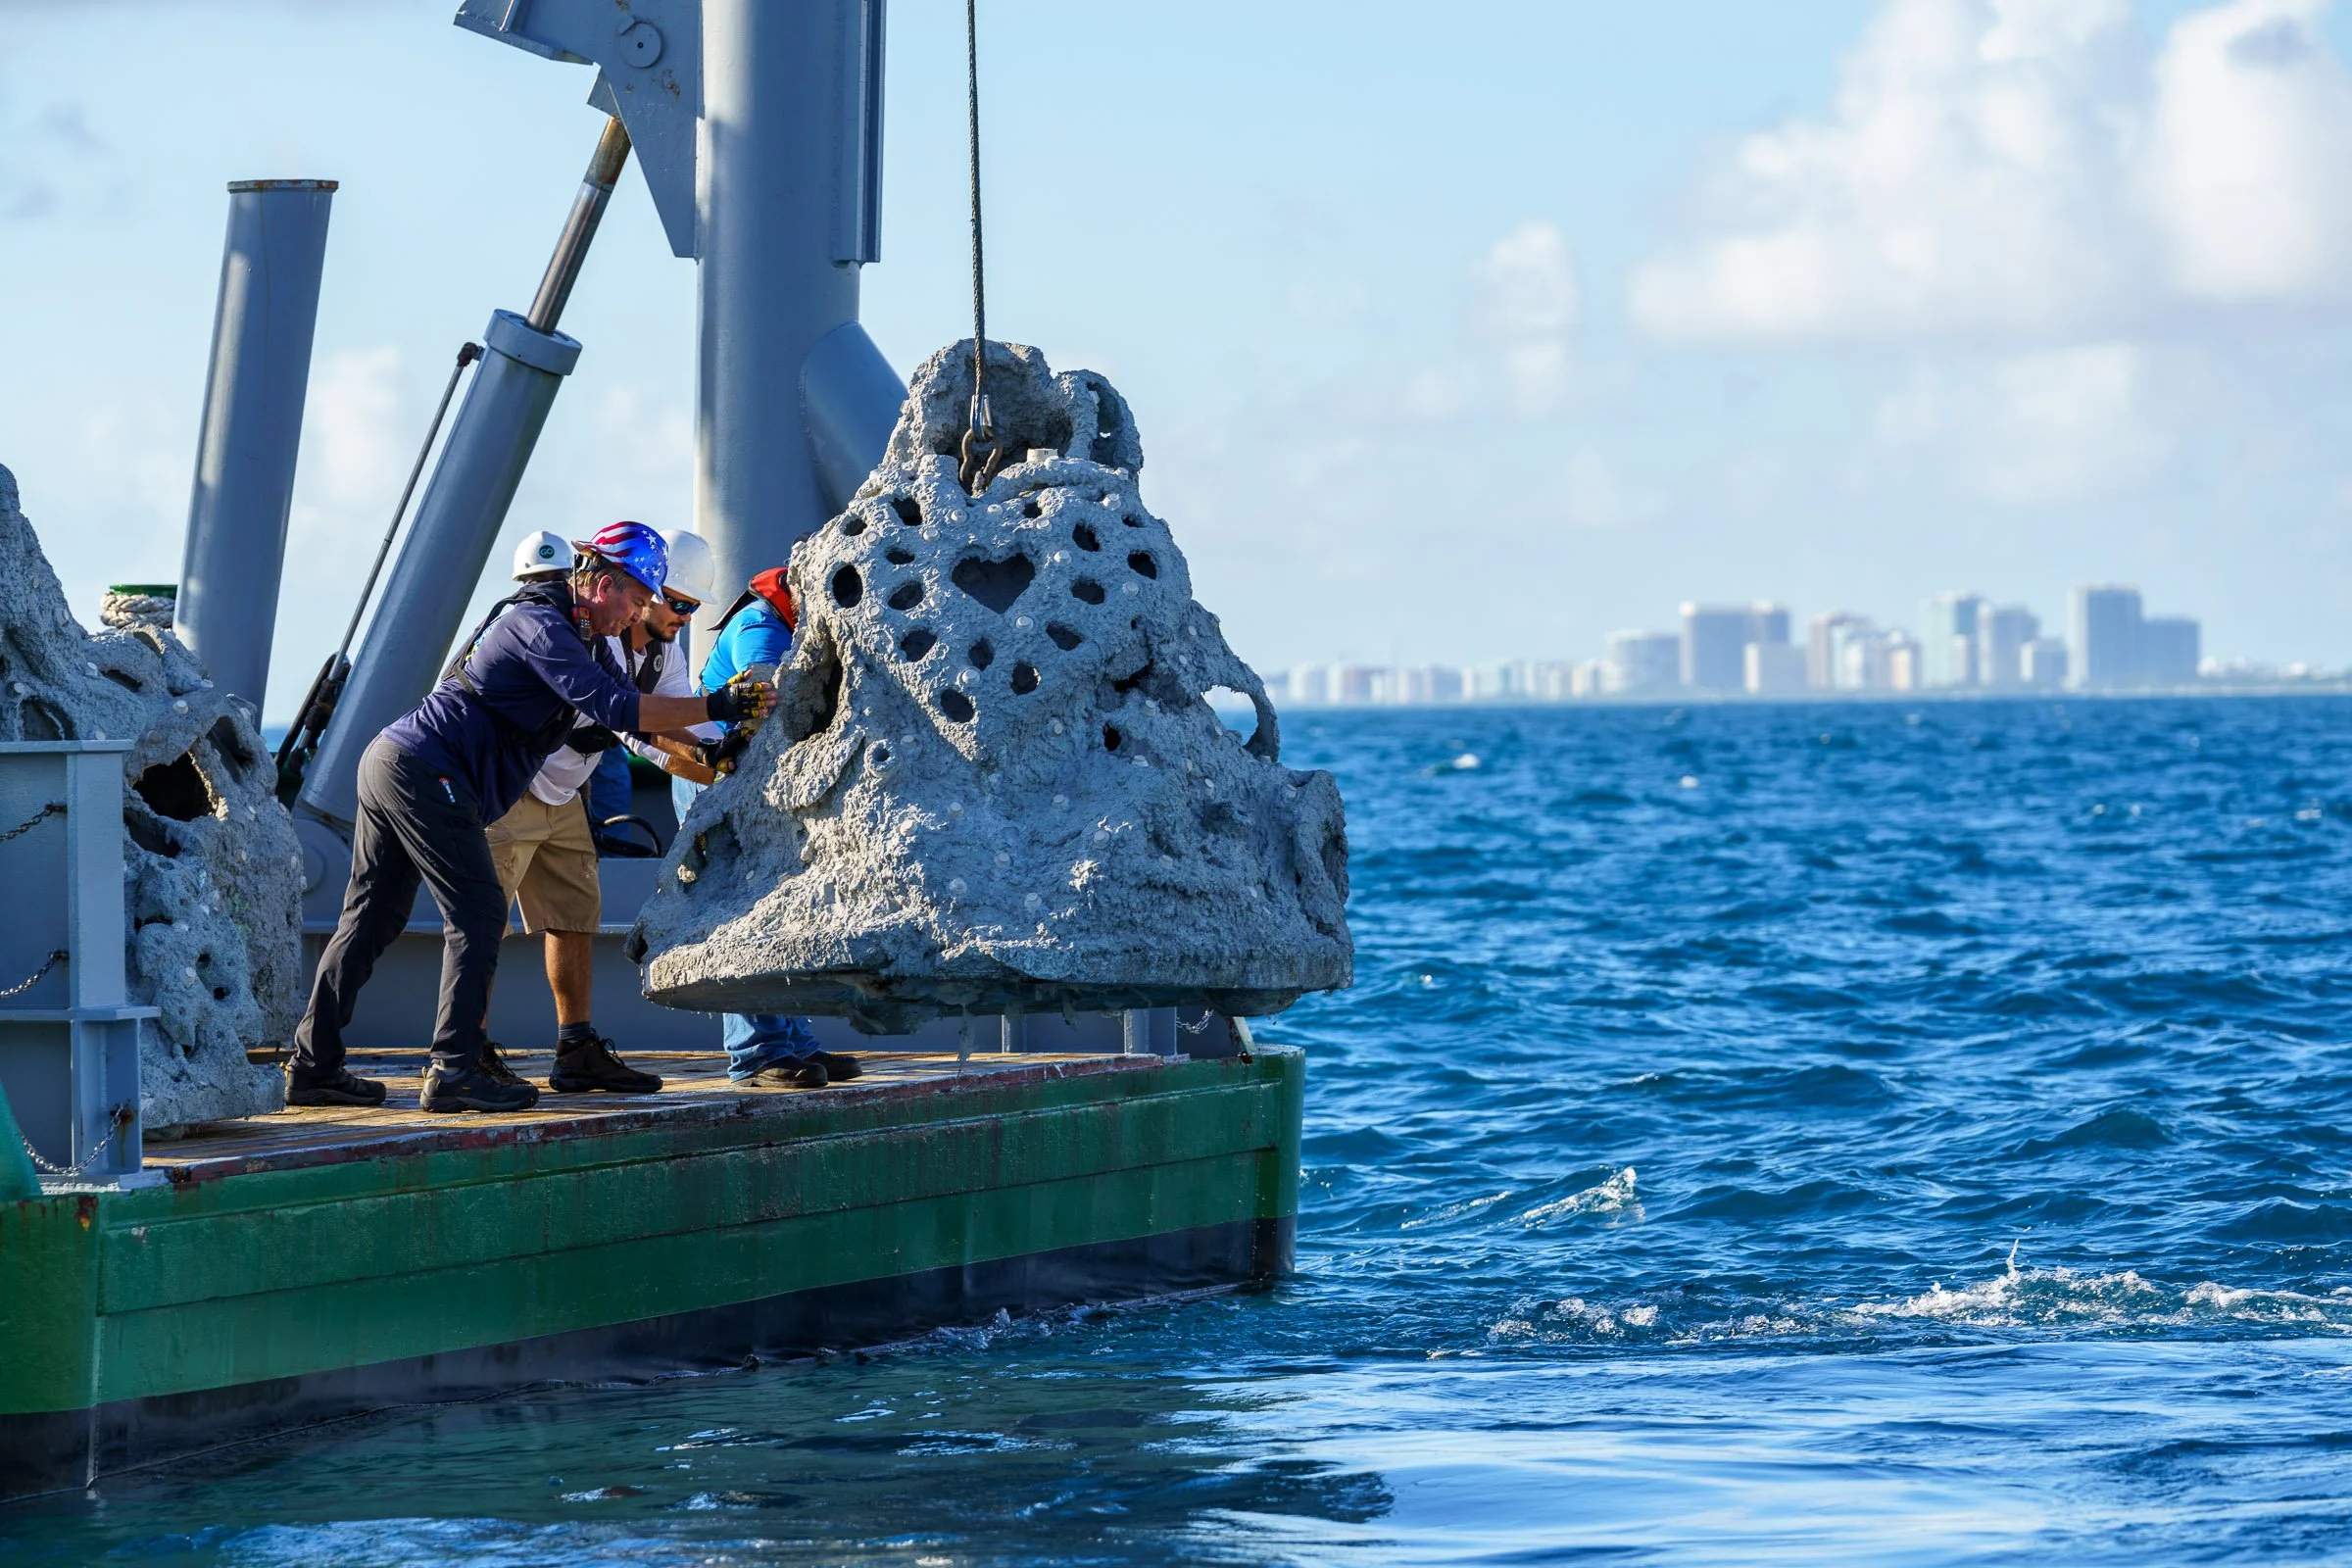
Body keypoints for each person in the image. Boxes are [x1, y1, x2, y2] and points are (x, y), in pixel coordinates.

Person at [286, 521, 774, 1114]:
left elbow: (642, 722)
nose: (638, 614)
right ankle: (456, 1068)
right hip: (425, 771)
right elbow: (616, 707)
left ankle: (314, 1067)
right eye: (638, 599)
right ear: (599, 581)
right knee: (480, 910)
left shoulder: (588, 638)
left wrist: (711, 749)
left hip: (402, 764)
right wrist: (720, 703)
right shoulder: (541, 625)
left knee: (374, 918)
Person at [474, 528, 719, 1095]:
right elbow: (635, 725)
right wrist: (717, 724)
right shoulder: (595, 640)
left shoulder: (663, 652)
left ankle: (576, 1047)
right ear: (642, 594)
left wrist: (729, 762)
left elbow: (682, 737)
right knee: (482, 922)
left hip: (565, 792)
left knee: (573, 917)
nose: (683, 617)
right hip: (512, 786)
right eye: (676, 603)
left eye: (690, 607)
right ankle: (469, 1047)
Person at [695, 566, 861, 1090]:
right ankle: (756, 1054)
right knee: (740, 910)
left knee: (780, 908)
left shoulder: (784, 623)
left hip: (759, 782)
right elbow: (768, 702)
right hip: (726, 782)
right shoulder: (762, 628)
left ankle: (792, 1042)